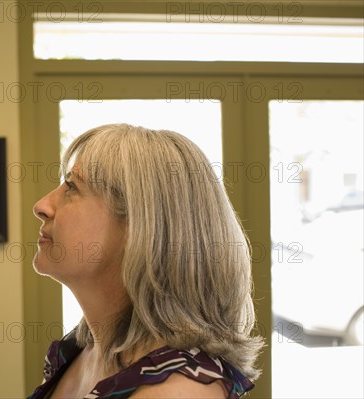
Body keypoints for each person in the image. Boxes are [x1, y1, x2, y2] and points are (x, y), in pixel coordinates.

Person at [29, 124, 264, 399]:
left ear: (138, 227)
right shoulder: (82, 350)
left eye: (71, 187)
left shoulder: (177, 392)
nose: (42, 206)